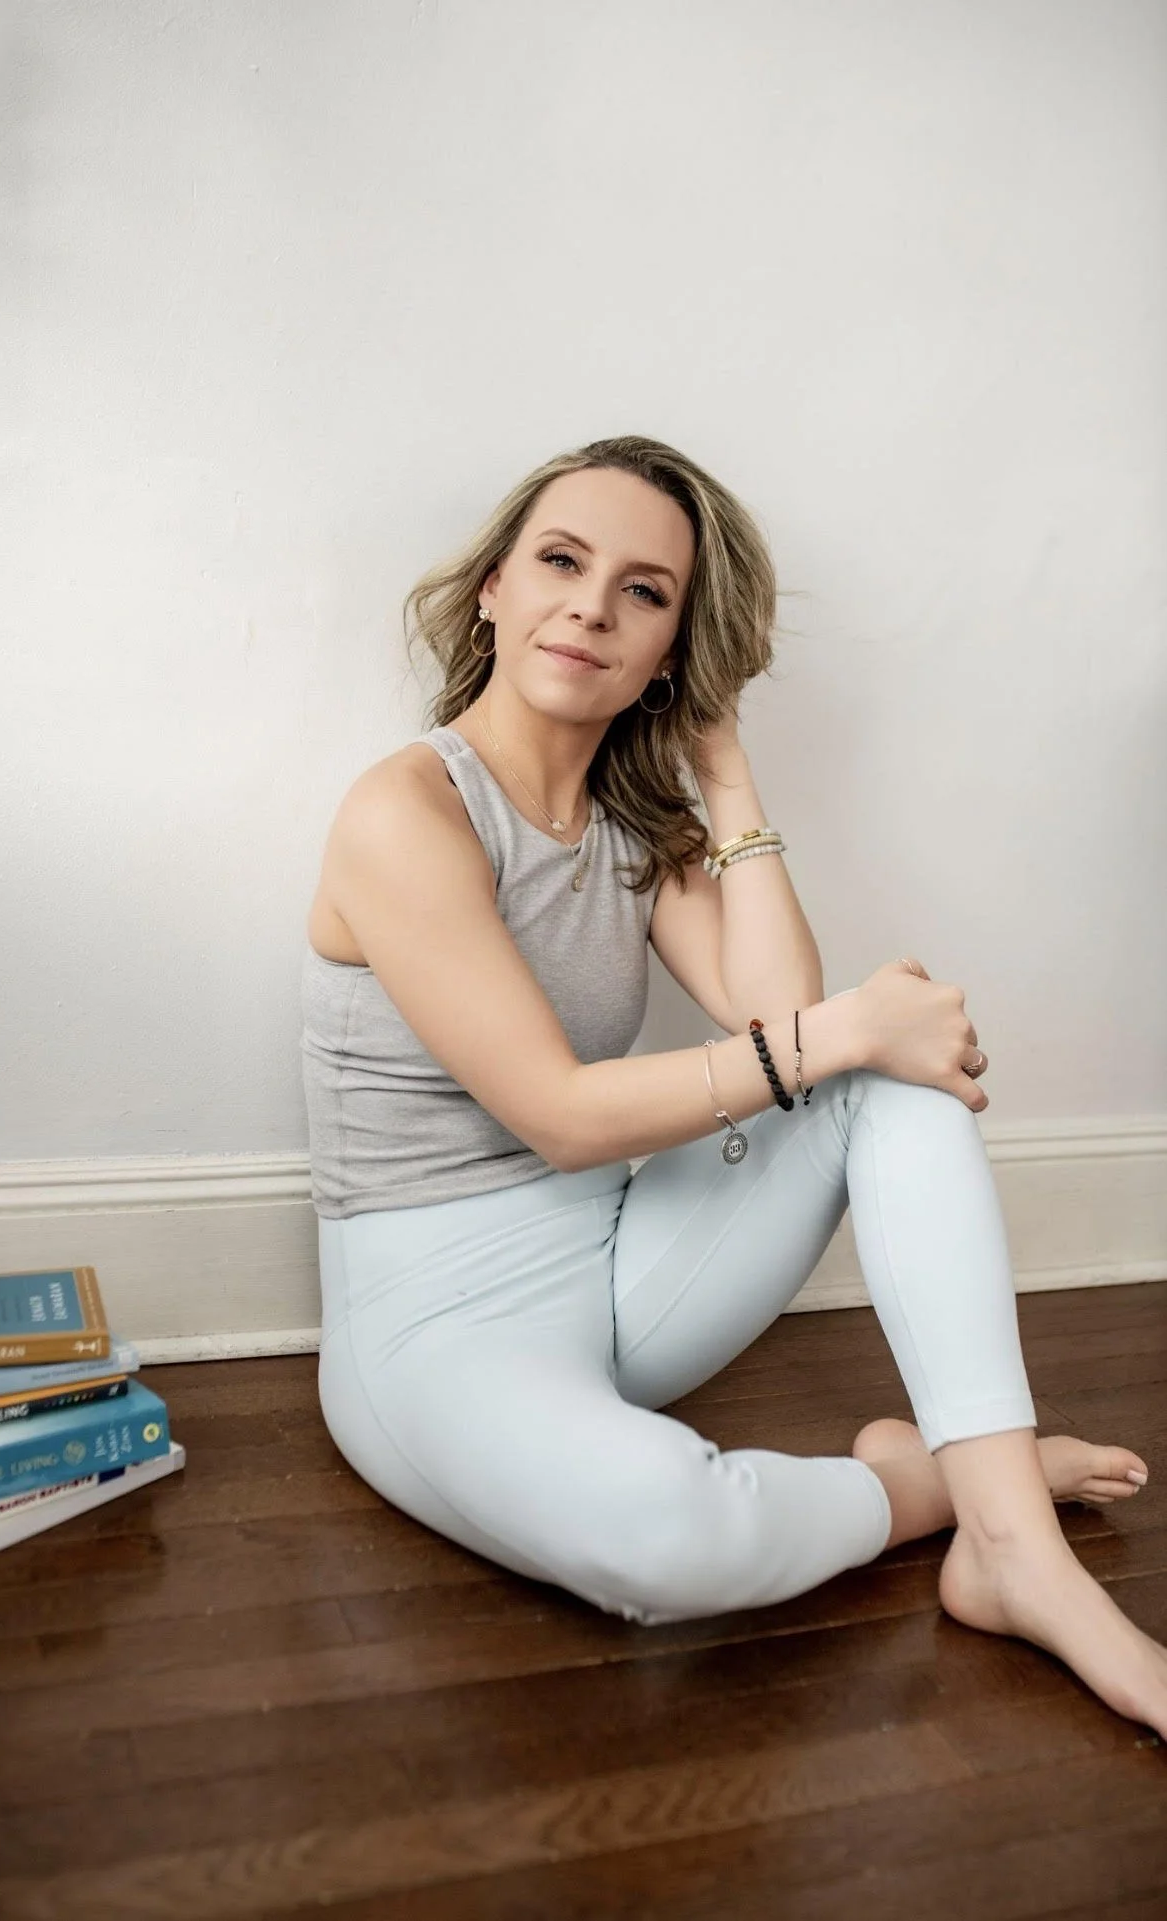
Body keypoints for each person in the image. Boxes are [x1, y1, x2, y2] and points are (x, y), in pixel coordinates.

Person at [300, 433, 1166, 1738]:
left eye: (644, 591)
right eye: (559, 559)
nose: (591, 603)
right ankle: (932, 1491)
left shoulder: (628, 830)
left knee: (890, 1073)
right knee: (670, 1539)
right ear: (491, 588)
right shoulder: (404, 811)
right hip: (433, 1323)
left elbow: (781, 1025)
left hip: (615, 1266)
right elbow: (558, 1114)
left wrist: (722, 768)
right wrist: (853, 1025)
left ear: (669, 651)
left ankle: (1015, 1557)